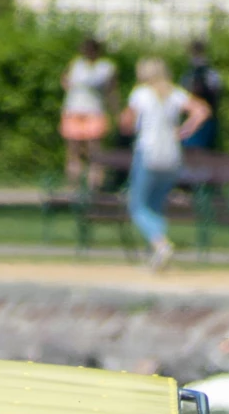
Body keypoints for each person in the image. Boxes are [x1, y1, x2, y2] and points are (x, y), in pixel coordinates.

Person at [118, 57, 210, 268]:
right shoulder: (175, 93)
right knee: (156, 206)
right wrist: (183, 131)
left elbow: (126, 122)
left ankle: (160, 245)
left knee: (137, 206)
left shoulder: (141, 93)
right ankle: (157, 256)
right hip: (172, 155)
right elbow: (201, 111)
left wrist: (129, 126)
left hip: (148, 152)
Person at [60, 36, 115, 188]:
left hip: (94, 111)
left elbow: (111, 91)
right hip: (74, 109)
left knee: (94, 151)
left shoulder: (105, 67)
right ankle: (73, 184)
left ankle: (94, 185)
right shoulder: (76, 64)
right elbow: (65, 81)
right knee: (74, 150)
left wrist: (114, 111)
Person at [181, 39, 223, 151]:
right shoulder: (212, 73)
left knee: (193, 151)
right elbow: (217, 92)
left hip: (196, 118)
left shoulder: (191, 74)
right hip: (210, 116)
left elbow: (186, 94)